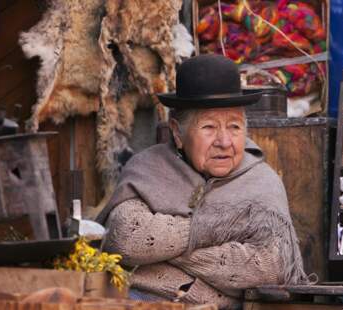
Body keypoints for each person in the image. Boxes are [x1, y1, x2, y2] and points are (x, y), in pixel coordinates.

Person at [97, 54, 308, 309]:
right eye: (209, 127)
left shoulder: (262, 182)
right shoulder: (148, 168)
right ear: (177, 132)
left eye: (234, 127)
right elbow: (125, 236)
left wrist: (162, 254)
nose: (224, 141)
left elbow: (271, 266)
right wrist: (215, 228)